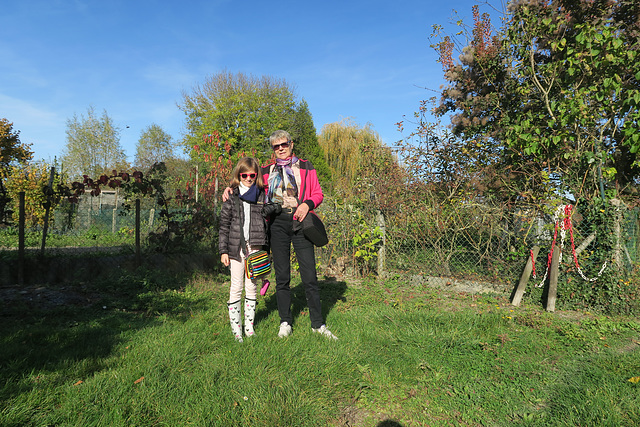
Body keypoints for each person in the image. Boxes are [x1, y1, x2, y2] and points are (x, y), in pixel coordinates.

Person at [262, 130, 337, 340]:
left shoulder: (305, 166)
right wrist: (230, 190)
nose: (280, 149)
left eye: (283, 144)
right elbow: (247, 186)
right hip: (277, 224)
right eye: (276, 146)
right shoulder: (266, 170)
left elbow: (318, 194)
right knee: (282, 276)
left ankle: (317, 325)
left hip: (300, 222)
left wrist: (307, 204)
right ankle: (285, 322)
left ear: (291, 144)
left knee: (309, 276)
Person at [218, 157, 269, 342]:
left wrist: (266, 248)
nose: (248, 178)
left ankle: (249, 327)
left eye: (252, 175)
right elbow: (224, 225)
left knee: (251, 286)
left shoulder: (262, 195)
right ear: (239, 175)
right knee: (236, 286)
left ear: (257, 176)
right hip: (236, 249)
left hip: (255, 247)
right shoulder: (232, 195)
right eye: (244, 175)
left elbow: (267, 222)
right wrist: (223, 251)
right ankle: (236, 330)